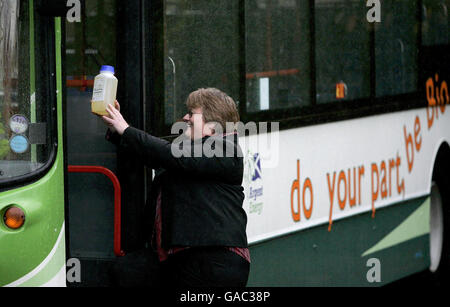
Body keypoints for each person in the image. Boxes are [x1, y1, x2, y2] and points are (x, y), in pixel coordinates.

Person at [102, 88, 250, 287]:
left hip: (215, 261)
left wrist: (125, 129)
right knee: (125, 271)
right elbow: (156, 154)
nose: (185, 117)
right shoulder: (192, 149)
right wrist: (115, 127)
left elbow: (168, 154)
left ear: (212, 127)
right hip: (183, 258)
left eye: (192, 113)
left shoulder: (225, 148)